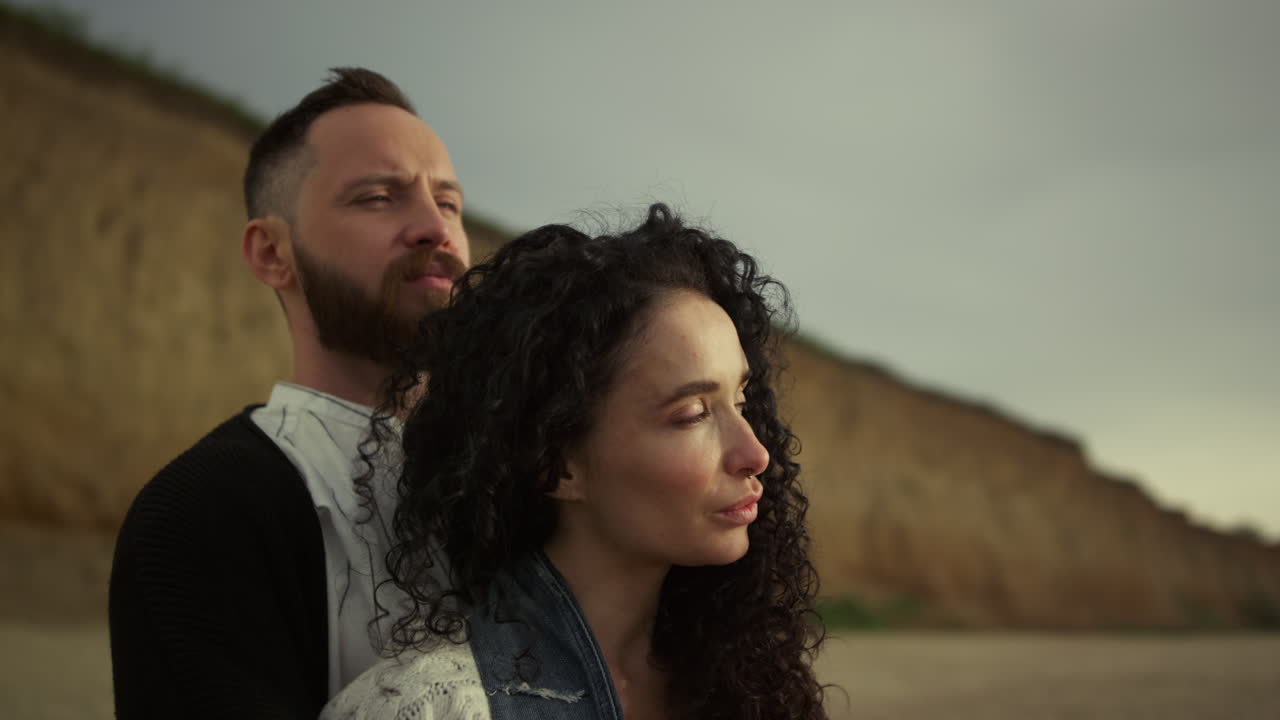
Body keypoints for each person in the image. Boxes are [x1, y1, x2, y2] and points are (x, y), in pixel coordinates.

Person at [323, 204, 827, 719]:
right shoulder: (433, 708)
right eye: (693, 413)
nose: (756, 454)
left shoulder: (750, 688)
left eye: (741, 403)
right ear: (556, 465)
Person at [108, 67, 470, 718]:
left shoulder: (525, 480)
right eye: (378, 197)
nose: (433, 228)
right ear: (274, 253)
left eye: (447, 203)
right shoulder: (205, 511)